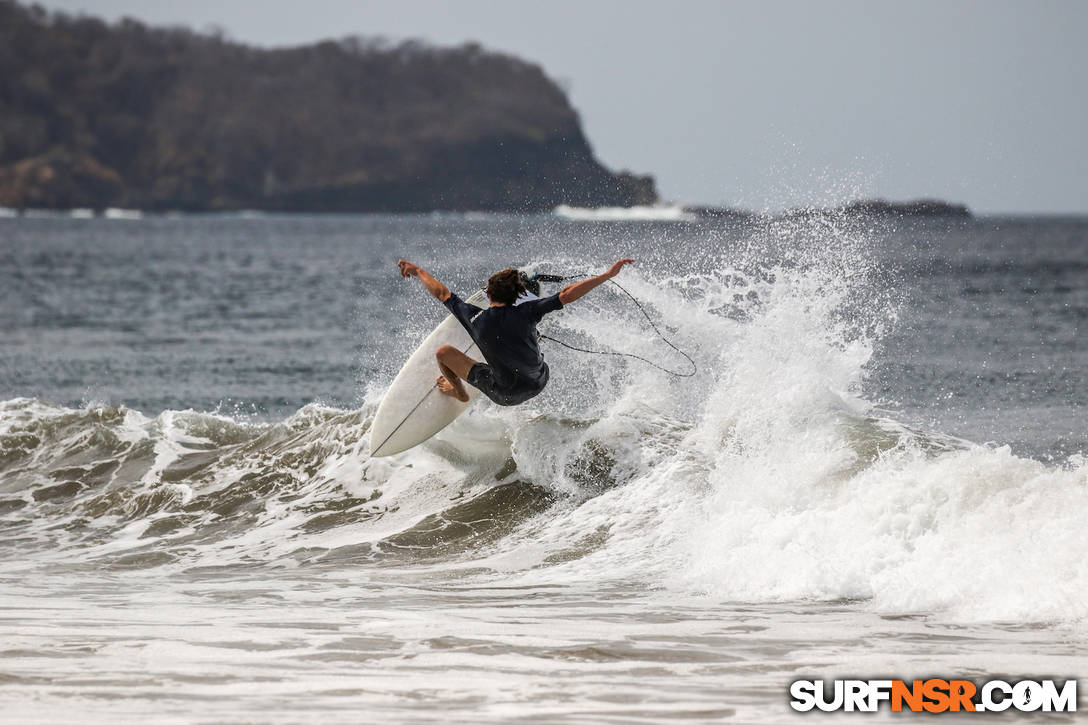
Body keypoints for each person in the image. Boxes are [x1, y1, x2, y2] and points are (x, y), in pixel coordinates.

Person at [396, 258, 635, 406]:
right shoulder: (528, 311)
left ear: (487, 295)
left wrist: (417, 270)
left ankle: (458, 393)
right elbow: (567, 294)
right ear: (516, 297)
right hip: (540, 381)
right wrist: (606, 275)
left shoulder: (474, 316)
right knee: (529, 331)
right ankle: (534, 338)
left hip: (505, 395)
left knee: (443, 353)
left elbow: (441, 293)